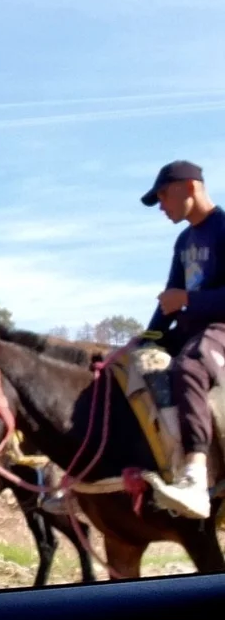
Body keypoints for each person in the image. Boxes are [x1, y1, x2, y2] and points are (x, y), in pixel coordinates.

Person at [42, 160, 225, 520]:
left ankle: (195, 475)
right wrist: (145, 339)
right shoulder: (184, 241)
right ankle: (89, 483)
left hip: (220, 329)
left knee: (189, 366)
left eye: (163, 196)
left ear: (189, 187)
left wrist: (189, 301)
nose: (161, 207)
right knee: (122, 370)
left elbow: (182, 298)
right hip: (188, 332)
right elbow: (169, 302)